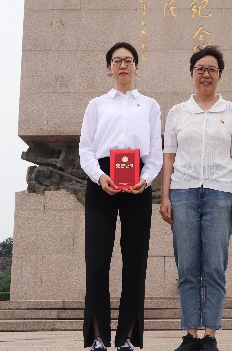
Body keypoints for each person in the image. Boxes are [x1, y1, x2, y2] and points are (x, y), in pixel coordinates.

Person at [160, 46, 232, 351]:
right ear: (191, 75)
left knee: (214, 267)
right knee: (187, 267)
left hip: (221, 194)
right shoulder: (177, 112)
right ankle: (190, 334)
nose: (206, 75)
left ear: (219, 75)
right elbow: (169, 156)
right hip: (182, 193)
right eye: (200, 69)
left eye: (212, 69)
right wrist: (165, 195)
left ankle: (210, 334)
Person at [79, 42, 163, 351]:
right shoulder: (96, 105)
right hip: (102, 179)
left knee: (135, 259)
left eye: (128, 60)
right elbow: (85, 149)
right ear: (109, 68)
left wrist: (145, 179)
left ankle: (126, 335)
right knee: (97, 259)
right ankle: (98, 336)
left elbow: (155, 152)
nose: (123, 65)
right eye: (117, 61)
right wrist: (99, 177)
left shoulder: (150, 106)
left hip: (137, 181)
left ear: (136, 67)